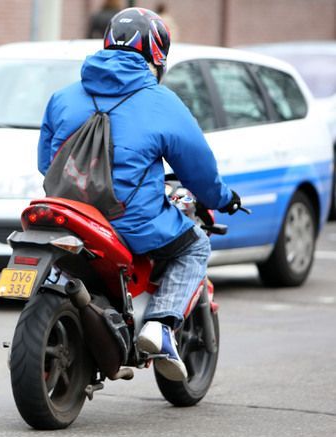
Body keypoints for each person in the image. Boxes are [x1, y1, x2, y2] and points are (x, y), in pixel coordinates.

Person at [38, 7, 242, 381]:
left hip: (65, 211)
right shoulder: (161, 102)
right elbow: (199, 172)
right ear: (157, 55)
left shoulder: (63, 97)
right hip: (127, 221)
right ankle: (161, 326)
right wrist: (222, 198)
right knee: (194, 245)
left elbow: (45, 163)